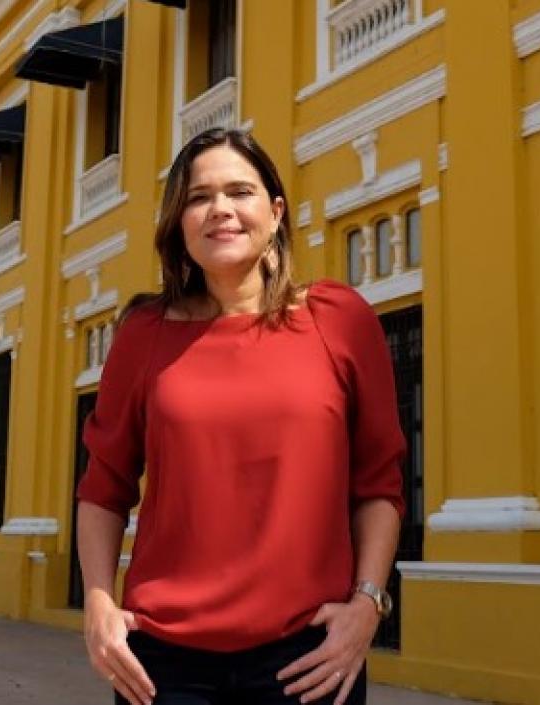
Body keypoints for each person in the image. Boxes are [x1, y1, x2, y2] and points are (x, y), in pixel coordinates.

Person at [76, 127, 406, 705]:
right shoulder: (144, 337)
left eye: (239, 192)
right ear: (179, 223)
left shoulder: (340, 320)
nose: (219, 210)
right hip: (164, 667)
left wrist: (367, 604)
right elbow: (103, 489)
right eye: (198, 197)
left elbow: (379, 482)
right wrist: (99, 604)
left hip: (308, 659)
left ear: (275, 211)